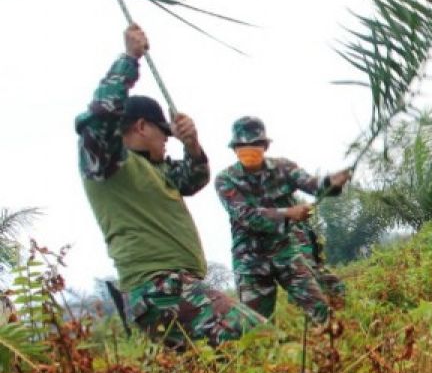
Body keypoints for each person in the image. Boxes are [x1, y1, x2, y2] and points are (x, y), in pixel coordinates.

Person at [76, 25, 264, 348]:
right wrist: (129, 60)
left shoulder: (155, 168)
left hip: (173, 290)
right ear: (141, 127)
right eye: (164, 133)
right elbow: (98, 120)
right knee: (256, 339)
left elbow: (194, 180)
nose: (167, 140)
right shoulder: (108, 162)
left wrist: (191, 145)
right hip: (159, 290)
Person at [214, 116, 351, 323]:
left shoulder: (283, 168)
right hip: (250, 262)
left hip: (285, 252)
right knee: (257, 328)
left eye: (255, 145)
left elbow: (313, 185)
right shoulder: (225, 180)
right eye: (242, 146)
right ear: (234, 149)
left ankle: (331, 349)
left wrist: (331, 182)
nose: (248, 150)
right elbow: (246, 215)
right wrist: (287, 213)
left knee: (320, 311)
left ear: (265, 146)